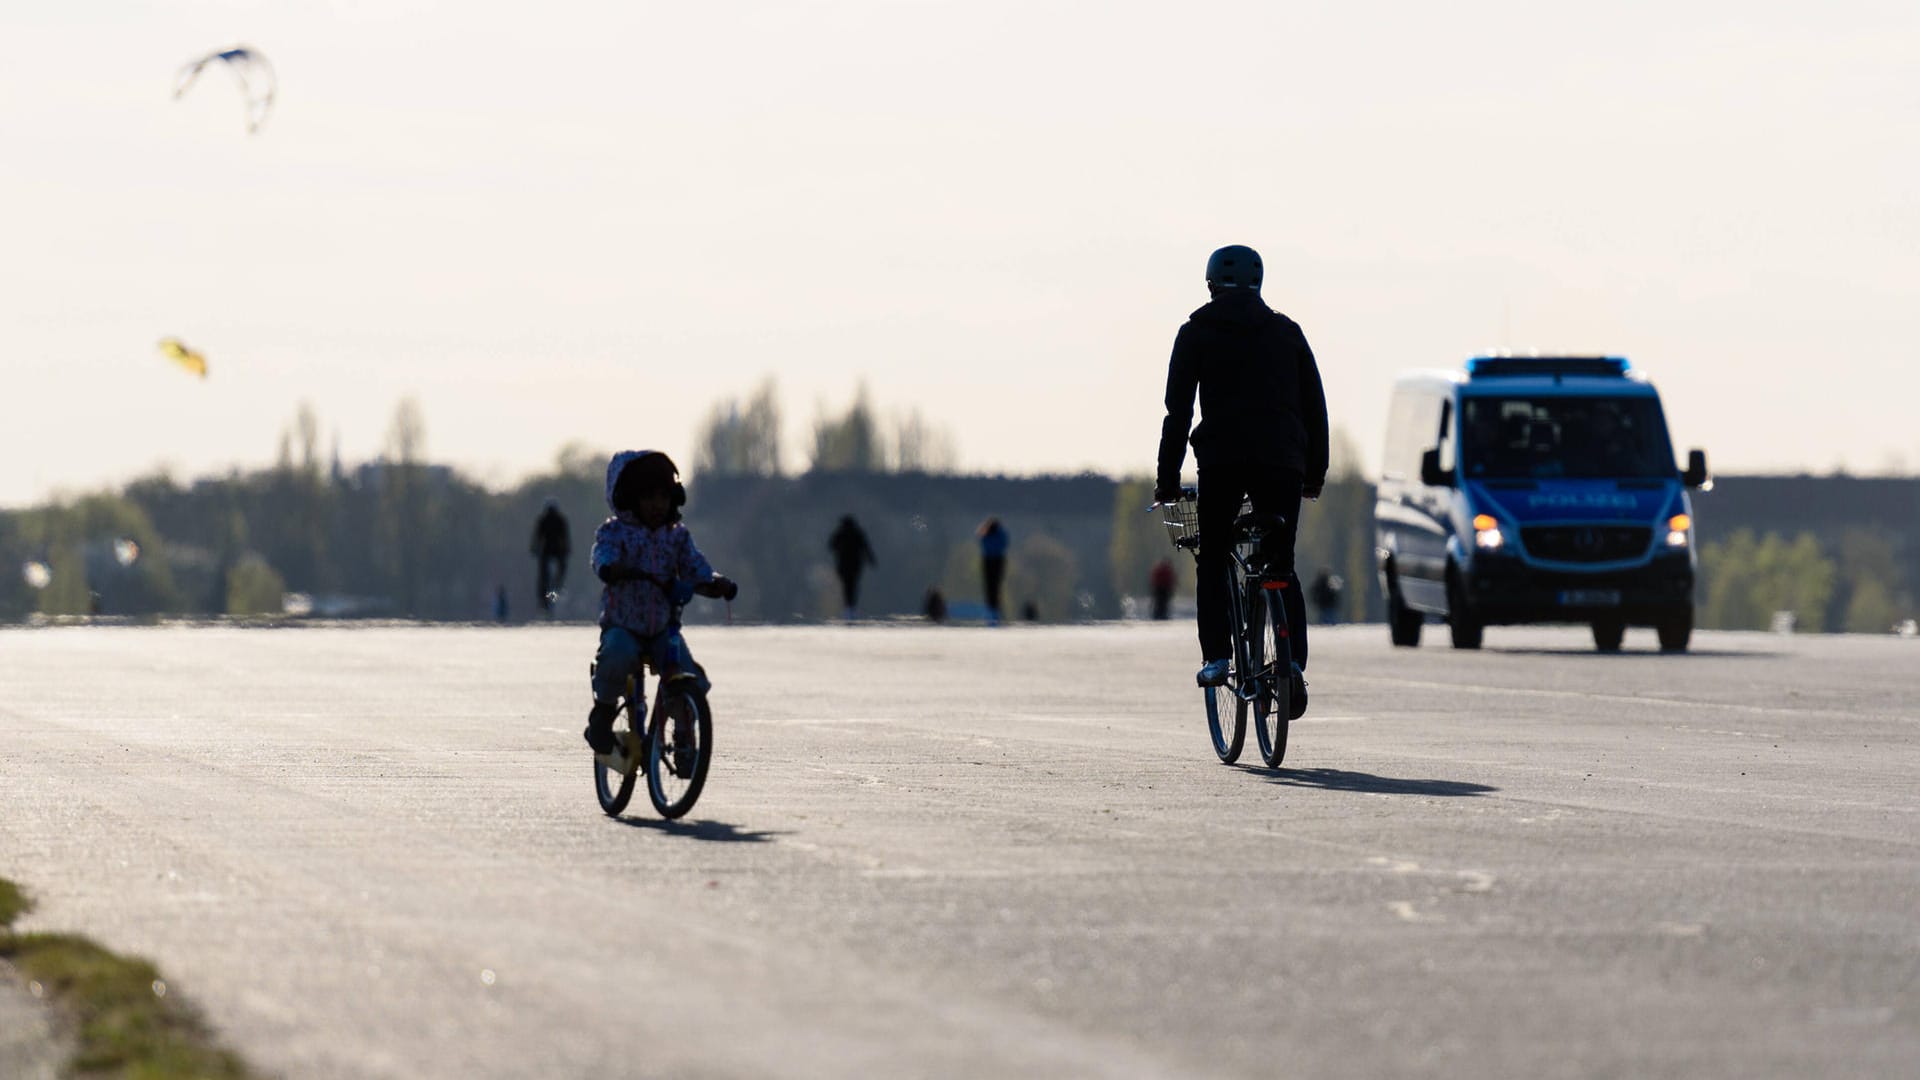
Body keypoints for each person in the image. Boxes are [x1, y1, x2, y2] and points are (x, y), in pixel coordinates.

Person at [1153, 244, 1328, 692]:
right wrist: (1314, 474)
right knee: (1281, 565)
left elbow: (1178, 414)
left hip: (1222, 461)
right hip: (1282, 462)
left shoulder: (1196, 332)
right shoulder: (1287, 333)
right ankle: (1293, 668)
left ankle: (1216, 657)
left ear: (1211, 285)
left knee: (1212, 556)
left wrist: (1167, 482)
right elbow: (1314, 408)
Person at [582, 450, 737, 755]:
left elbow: (695, 567)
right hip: (624, 625)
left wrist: (715, 582)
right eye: (648, 497)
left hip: (662, 629)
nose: (657, 505)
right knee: (617, 654)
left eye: (663, 497)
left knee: (686, 672)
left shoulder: (676, 537)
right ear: (630, 498)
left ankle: (684, 734)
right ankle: (602, 713)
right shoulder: (616, 532)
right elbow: (603, 553)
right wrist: (611, 567)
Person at [827, 515, 877, 620]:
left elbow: (831, 546)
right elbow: (866, 548)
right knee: (853, 586)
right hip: (855, 565)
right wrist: (871, 560)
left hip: (843, 565)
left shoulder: (840, 533)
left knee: (846, 586)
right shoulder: (857, 533)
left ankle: (848, 608)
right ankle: (851, 608)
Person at [530, 498, 571, 615]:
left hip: (555, 550)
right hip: (549, 550)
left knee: (556, 572)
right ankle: (545, 598)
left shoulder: (558, 520)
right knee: (544, 575)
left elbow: (565, 537)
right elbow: (537, 537)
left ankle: (553, 591)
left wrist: (566, 549)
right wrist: (534, 548)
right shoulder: (546, 520)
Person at [977, 517, 1009, 624]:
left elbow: (981, 540)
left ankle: (992, 611)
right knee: (995, 586)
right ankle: (994, 610)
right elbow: (1005, 544)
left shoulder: (987, 532)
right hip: (998, 560)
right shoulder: (1001, 533)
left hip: (989, 560)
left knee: (990, 586)